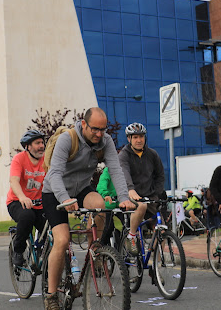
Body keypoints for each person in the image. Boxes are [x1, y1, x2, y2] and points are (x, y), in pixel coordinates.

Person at [42, 108, 134, 310]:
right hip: (54, 192)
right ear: (84, 124)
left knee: (99, 204)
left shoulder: (105, 141)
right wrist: (65, 199)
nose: (99, 134)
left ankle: (96, 251)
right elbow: (55, 173)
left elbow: (116, 170)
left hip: (81, 188)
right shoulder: (68, 139)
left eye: (103, 129)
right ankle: (50, 296)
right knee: (63, 239)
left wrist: (124, 198)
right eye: (95, 129)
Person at [118, 122, 166, 255]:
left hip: (150, 197)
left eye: (141, 137)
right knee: (141, 206)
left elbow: (160, 176)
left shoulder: (152, 154)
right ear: (129, 139)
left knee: (162, 231)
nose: (139, 140)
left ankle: (155, 263)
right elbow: (124, 173)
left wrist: (156, 193)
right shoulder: (124, 155)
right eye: (135, 137)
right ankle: (131, 237)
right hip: (131, 197)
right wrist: (130, 189)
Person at [6, 129, 47, 267]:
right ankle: (18, 251)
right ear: (28, 146)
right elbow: (14, 181)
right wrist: (22, 197)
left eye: (42, 142)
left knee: (52, 224)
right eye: (37, 143)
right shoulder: (19, 159)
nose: (41, 146)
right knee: (27, 216)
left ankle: (42, 250)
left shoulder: (46, 160)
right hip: (17, 202)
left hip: (38, 204)